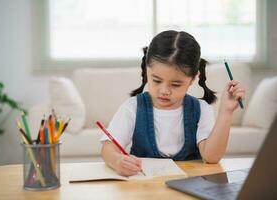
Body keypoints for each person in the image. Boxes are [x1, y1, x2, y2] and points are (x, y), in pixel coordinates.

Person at [100, 30, 246, 176]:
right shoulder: (132, 107)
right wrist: (117, 161)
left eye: (175, 84)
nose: (164, 91)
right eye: (156, 80)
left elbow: (211, 158)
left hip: (189, 186)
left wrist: (225, 112)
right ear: (147, 70)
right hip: (144, 188)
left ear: (193, 79)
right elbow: (108, 148)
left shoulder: (201, 109)